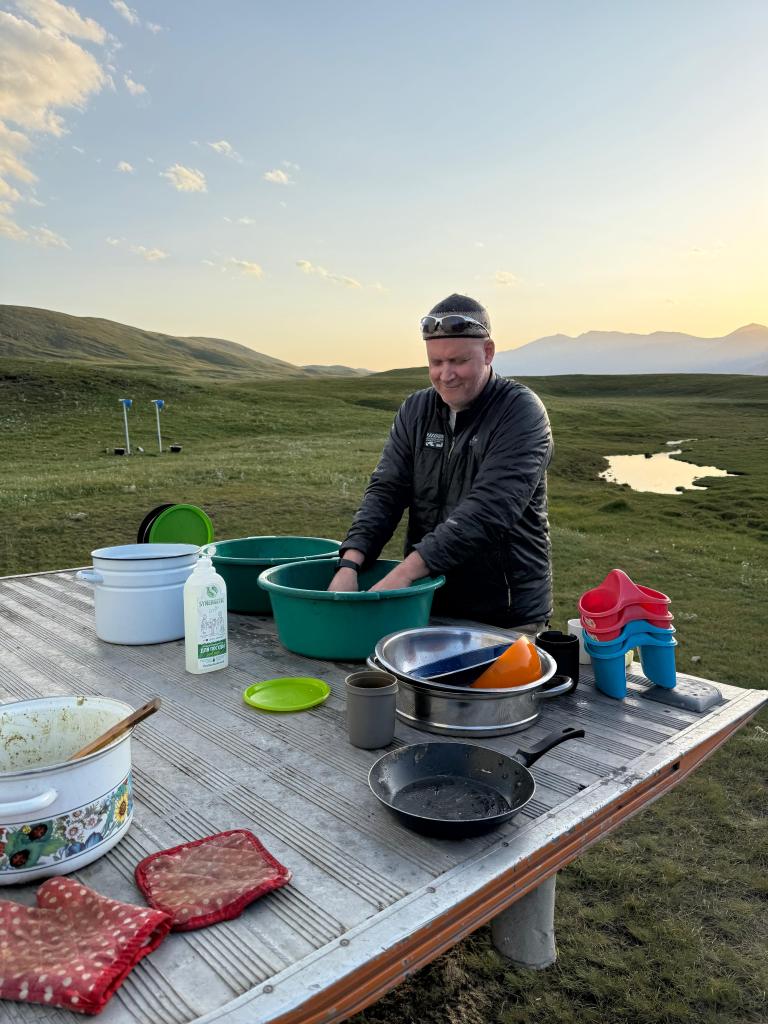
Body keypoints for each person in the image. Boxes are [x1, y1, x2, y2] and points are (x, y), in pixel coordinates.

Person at [328, 294, 553, 631]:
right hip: (428, 604)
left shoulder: (520, 412)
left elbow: (489, 510)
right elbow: (386, 491)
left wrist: (402, 575)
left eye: (457, 361)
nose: (445, 375)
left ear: (488, 352)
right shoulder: (416, 410)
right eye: (435, 362)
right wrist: (350, 565)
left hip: (504, 617)